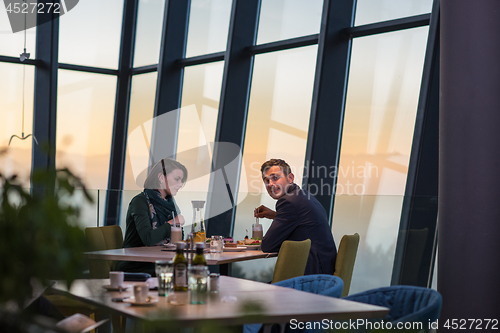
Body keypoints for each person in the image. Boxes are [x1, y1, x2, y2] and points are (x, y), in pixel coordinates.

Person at [254, 159, 337, 275]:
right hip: (326, 272)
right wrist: (275, 215)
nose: (270, 184)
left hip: (311, 277)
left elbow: (268, 245)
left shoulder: (287, 202)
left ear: (290, 178)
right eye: (266, 180)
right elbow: (303, 224)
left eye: (275, 178)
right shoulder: (304, 196)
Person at [115, 158, 187, 276]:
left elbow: (178, 238)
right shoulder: (140, 202)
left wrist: (175, 225)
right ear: (161, 178)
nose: (180, 184)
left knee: (188, 272)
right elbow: (148, 239)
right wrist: (172, 223)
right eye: (177, 179)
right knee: (179, 274)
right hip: (135, 264)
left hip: (159, 262)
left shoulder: (169, 203)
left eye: (181, 181)